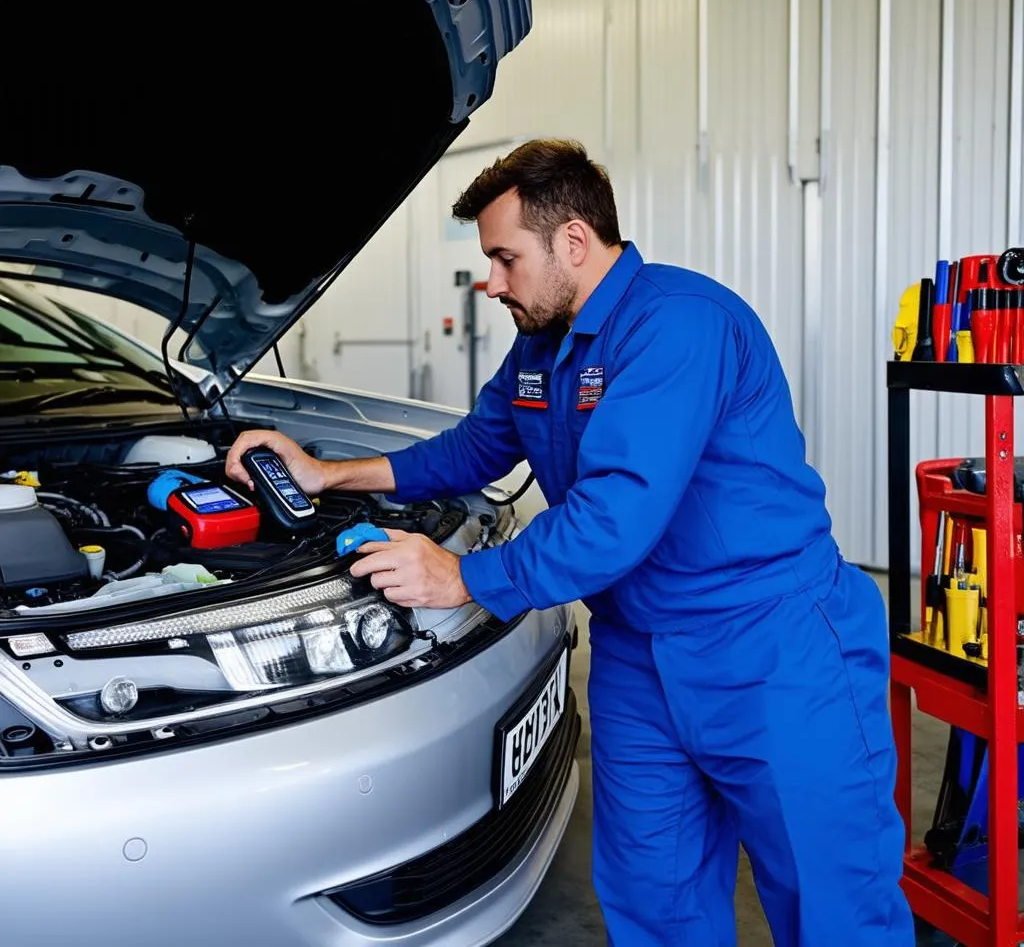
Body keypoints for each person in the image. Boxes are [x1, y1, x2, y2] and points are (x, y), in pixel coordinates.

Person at [225, 138, 914, 946]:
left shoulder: (678, 326)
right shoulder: (542, 348)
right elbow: (471, 451)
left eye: (505, 259)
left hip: (772, 646)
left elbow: (615, 515)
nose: (491, 282)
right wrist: (325, 475)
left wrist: (463, 576)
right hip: (636, 654)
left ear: (574, 243)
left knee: (834, 905)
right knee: (656, 900)